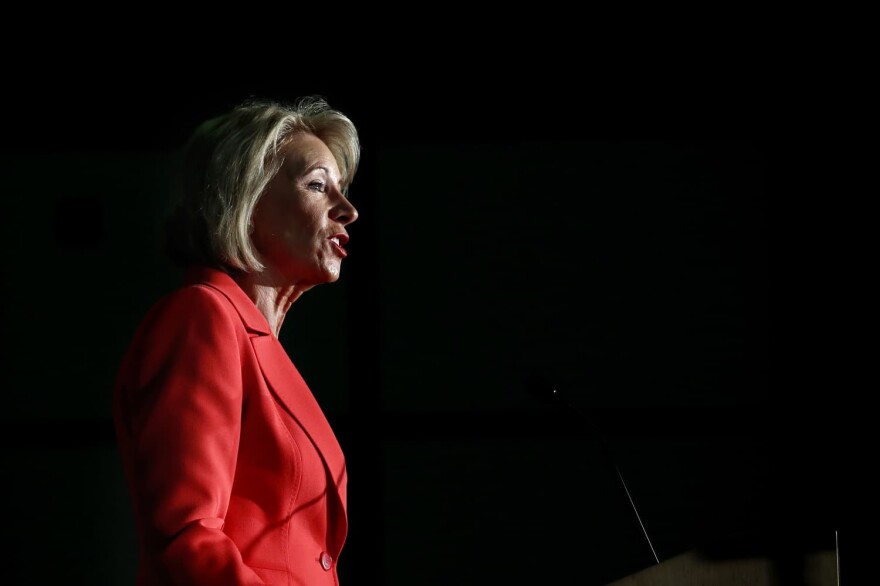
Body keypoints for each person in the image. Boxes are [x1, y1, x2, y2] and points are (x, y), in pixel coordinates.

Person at [111, 95, 360, 585]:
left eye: (342, 190)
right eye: (317, 185)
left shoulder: (254, 343)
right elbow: (189, 538)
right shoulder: (202, 317)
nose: (348, 210)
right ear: (245, 199)